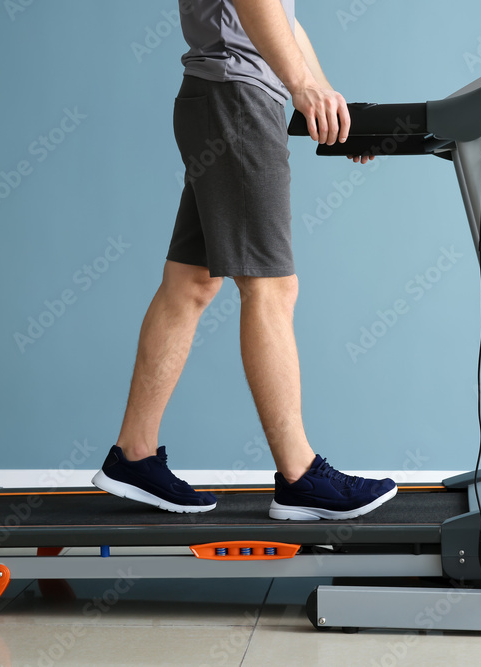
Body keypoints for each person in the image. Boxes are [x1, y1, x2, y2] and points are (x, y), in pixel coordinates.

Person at [91, 0, 397, 520]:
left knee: (191, 283)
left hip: (223, 95)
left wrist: (324, 100)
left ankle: (133, 456)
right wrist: (302, 87)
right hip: (237, 98)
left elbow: (282, 18)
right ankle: (299, 476)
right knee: (272, 288)